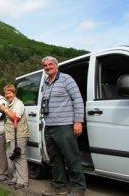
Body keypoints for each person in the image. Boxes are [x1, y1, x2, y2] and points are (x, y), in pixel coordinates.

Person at [41, 56, 86, 196]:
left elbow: (77, 99)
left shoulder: (66, 79)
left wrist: (78, 121)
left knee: (72, 157)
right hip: (49, 126)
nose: (48, 67)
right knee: (55, 159)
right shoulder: (46, 82)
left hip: (65, 126)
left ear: (56, 65)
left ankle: (78, 188)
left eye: (50, 64)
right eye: (45, 65)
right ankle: (59, 187)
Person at [0, 84, 29, 190]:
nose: (7, 95)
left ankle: (23, 181)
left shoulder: (18, 103)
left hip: (20, 134)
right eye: (6, 93)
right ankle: (16, 178)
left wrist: (5, 109)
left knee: (20, 156)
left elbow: (15, 118)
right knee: (14, 156)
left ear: (14, 93)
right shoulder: (9, 104)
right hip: (12, 135)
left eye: (9, 93)